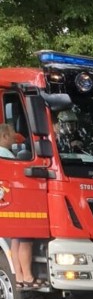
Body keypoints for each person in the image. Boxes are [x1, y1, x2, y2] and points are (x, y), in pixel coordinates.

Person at [0, 123, 41, 288]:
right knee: (25, 241)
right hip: (20, 201)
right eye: (11, 135)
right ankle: (28, 277)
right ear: (4, 136)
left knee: (16, 241)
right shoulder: (5, 154)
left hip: (10, 204)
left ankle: (19, 277)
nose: (14, 137)